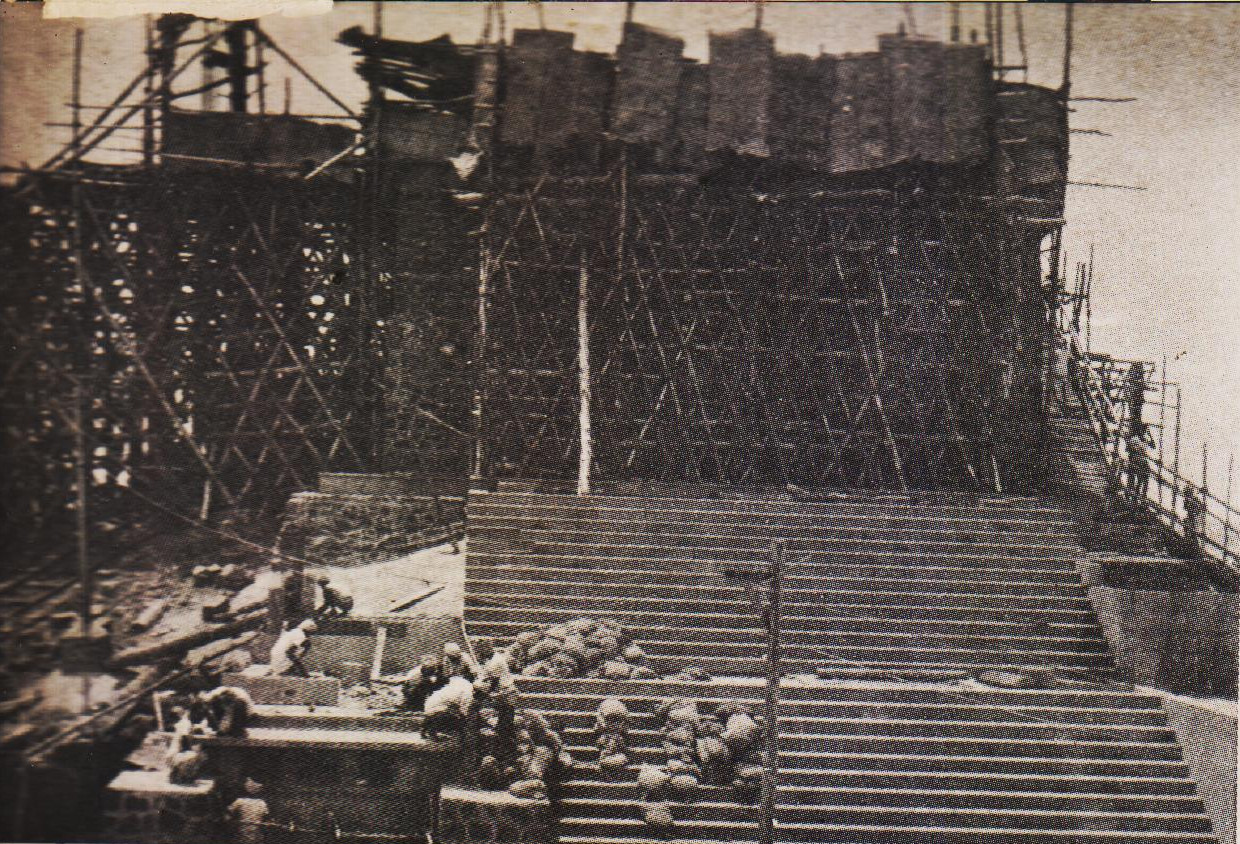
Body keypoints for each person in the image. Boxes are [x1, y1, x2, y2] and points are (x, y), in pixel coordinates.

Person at [421, 674, 475, 740]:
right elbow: (464, 711)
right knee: (454, 719)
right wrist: (464, 720)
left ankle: (425, 731)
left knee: (436, 714)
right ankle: (433, 731)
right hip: (438, 707)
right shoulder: (468, 693)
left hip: (431, 702)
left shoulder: (460, 685)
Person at [226, 778, 271, 844]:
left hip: (244, 833)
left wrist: (229, 821)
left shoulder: (240, 801)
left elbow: (228, 813)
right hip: (253, 834)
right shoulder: (262, 803)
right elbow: (266, 818)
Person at [1125, 428, 1154, 504]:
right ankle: (1134, 498)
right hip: (1136, 460)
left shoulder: (1145, 440)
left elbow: (1153, 446)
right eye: (1142, 431)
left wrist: (1150, 435)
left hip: (1143, 461)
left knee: (1144, 479)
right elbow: (1128, 449)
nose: (1143, 433)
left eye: (1144, 432)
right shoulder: (1134, 439)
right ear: (1139, 432)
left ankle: (1142, 498)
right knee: (1136, 480)